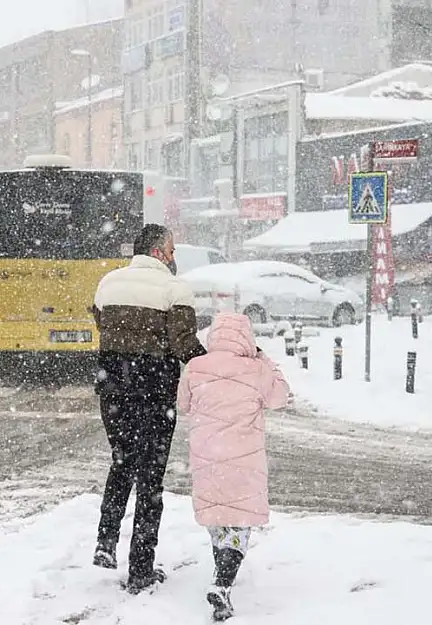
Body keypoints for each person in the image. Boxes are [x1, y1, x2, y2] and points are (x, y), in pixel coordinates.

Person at [90, 223, 207, 594]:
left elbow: (103, 324)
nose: (174, 258)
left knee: (122, 459)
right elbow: (184, 344)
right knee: (150, 477)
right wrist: (218, 363)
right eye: (171, 251)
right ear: (158, 252)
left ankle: (105, 543)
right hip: (154, 390)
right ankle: (141, 568)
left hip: (112, 386)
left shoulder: (108, 283)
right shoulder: (175, 290)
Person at [177, 313, 290, 621]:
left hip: (207, 457)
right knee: (239, 523)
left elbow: (183, 404)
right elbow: (281, 396)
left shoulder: (196, 367)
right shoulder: (255, 369)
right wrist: (265, 358)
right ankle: (222, 583)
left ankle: (220, 574)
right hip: (244, 460)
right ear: (246, 338)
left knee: (218, 517)